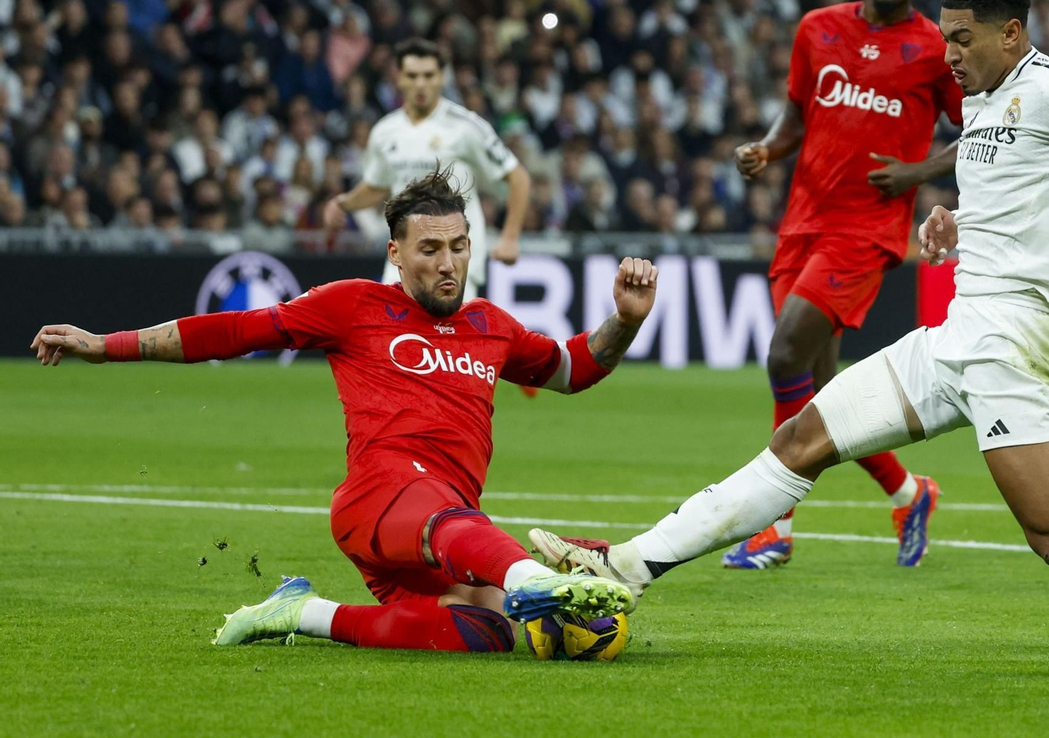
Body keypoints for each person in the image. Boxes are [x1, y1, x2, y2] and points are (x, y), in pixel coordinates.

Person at [519, 0, 1049, 671]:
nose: (951, 55)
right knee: (800, 439)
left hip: (1016, 340)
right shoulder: (980, 103)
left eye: (965, 39)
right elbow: (1016, 195)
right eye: (946, 38)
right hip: (958, 334)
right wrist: (956, 225)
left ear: (1013, 33)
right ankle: (626, 565)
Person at [32, 170, 656, 653]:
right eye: (430, 248)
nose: (447, 263)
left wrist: (625, 322)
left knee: (486, 632)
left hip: (437, 533)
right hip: (381, 499)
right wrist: (104, 346)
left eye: (459, 247)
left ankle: (300, 613)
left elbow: (573, 370)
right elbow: (233, 330)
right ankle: (530, 579)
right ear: (395, 253)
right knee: (456, 526)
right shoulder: (351, 305)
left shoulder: (492, 326)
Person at [727, 0, 964, 569]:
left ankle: (773, 524)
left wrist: (919, 173)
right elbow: (801, 109)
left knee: (783, 359)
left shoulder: (935, 48)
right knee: (820, 388)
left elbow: (980, 129)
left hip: (866, 230)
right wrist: (769, 150)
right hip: (802, 222)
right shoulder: (817, 29)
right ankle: (908, 490)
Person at [324, 37, 530, 303]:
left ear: (442, 77)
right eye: (412, 75)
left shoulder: (466, 126)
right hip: (404, 257)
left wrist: (510, 238)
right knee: (394, 339)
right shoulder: (385, 131)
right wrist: (343, 203)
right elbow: (376, 186)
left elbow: (518, 176)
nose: (420, 83)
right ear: (399, 78)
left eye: (428, 75)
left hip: (453, 260)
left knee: (450, 342)